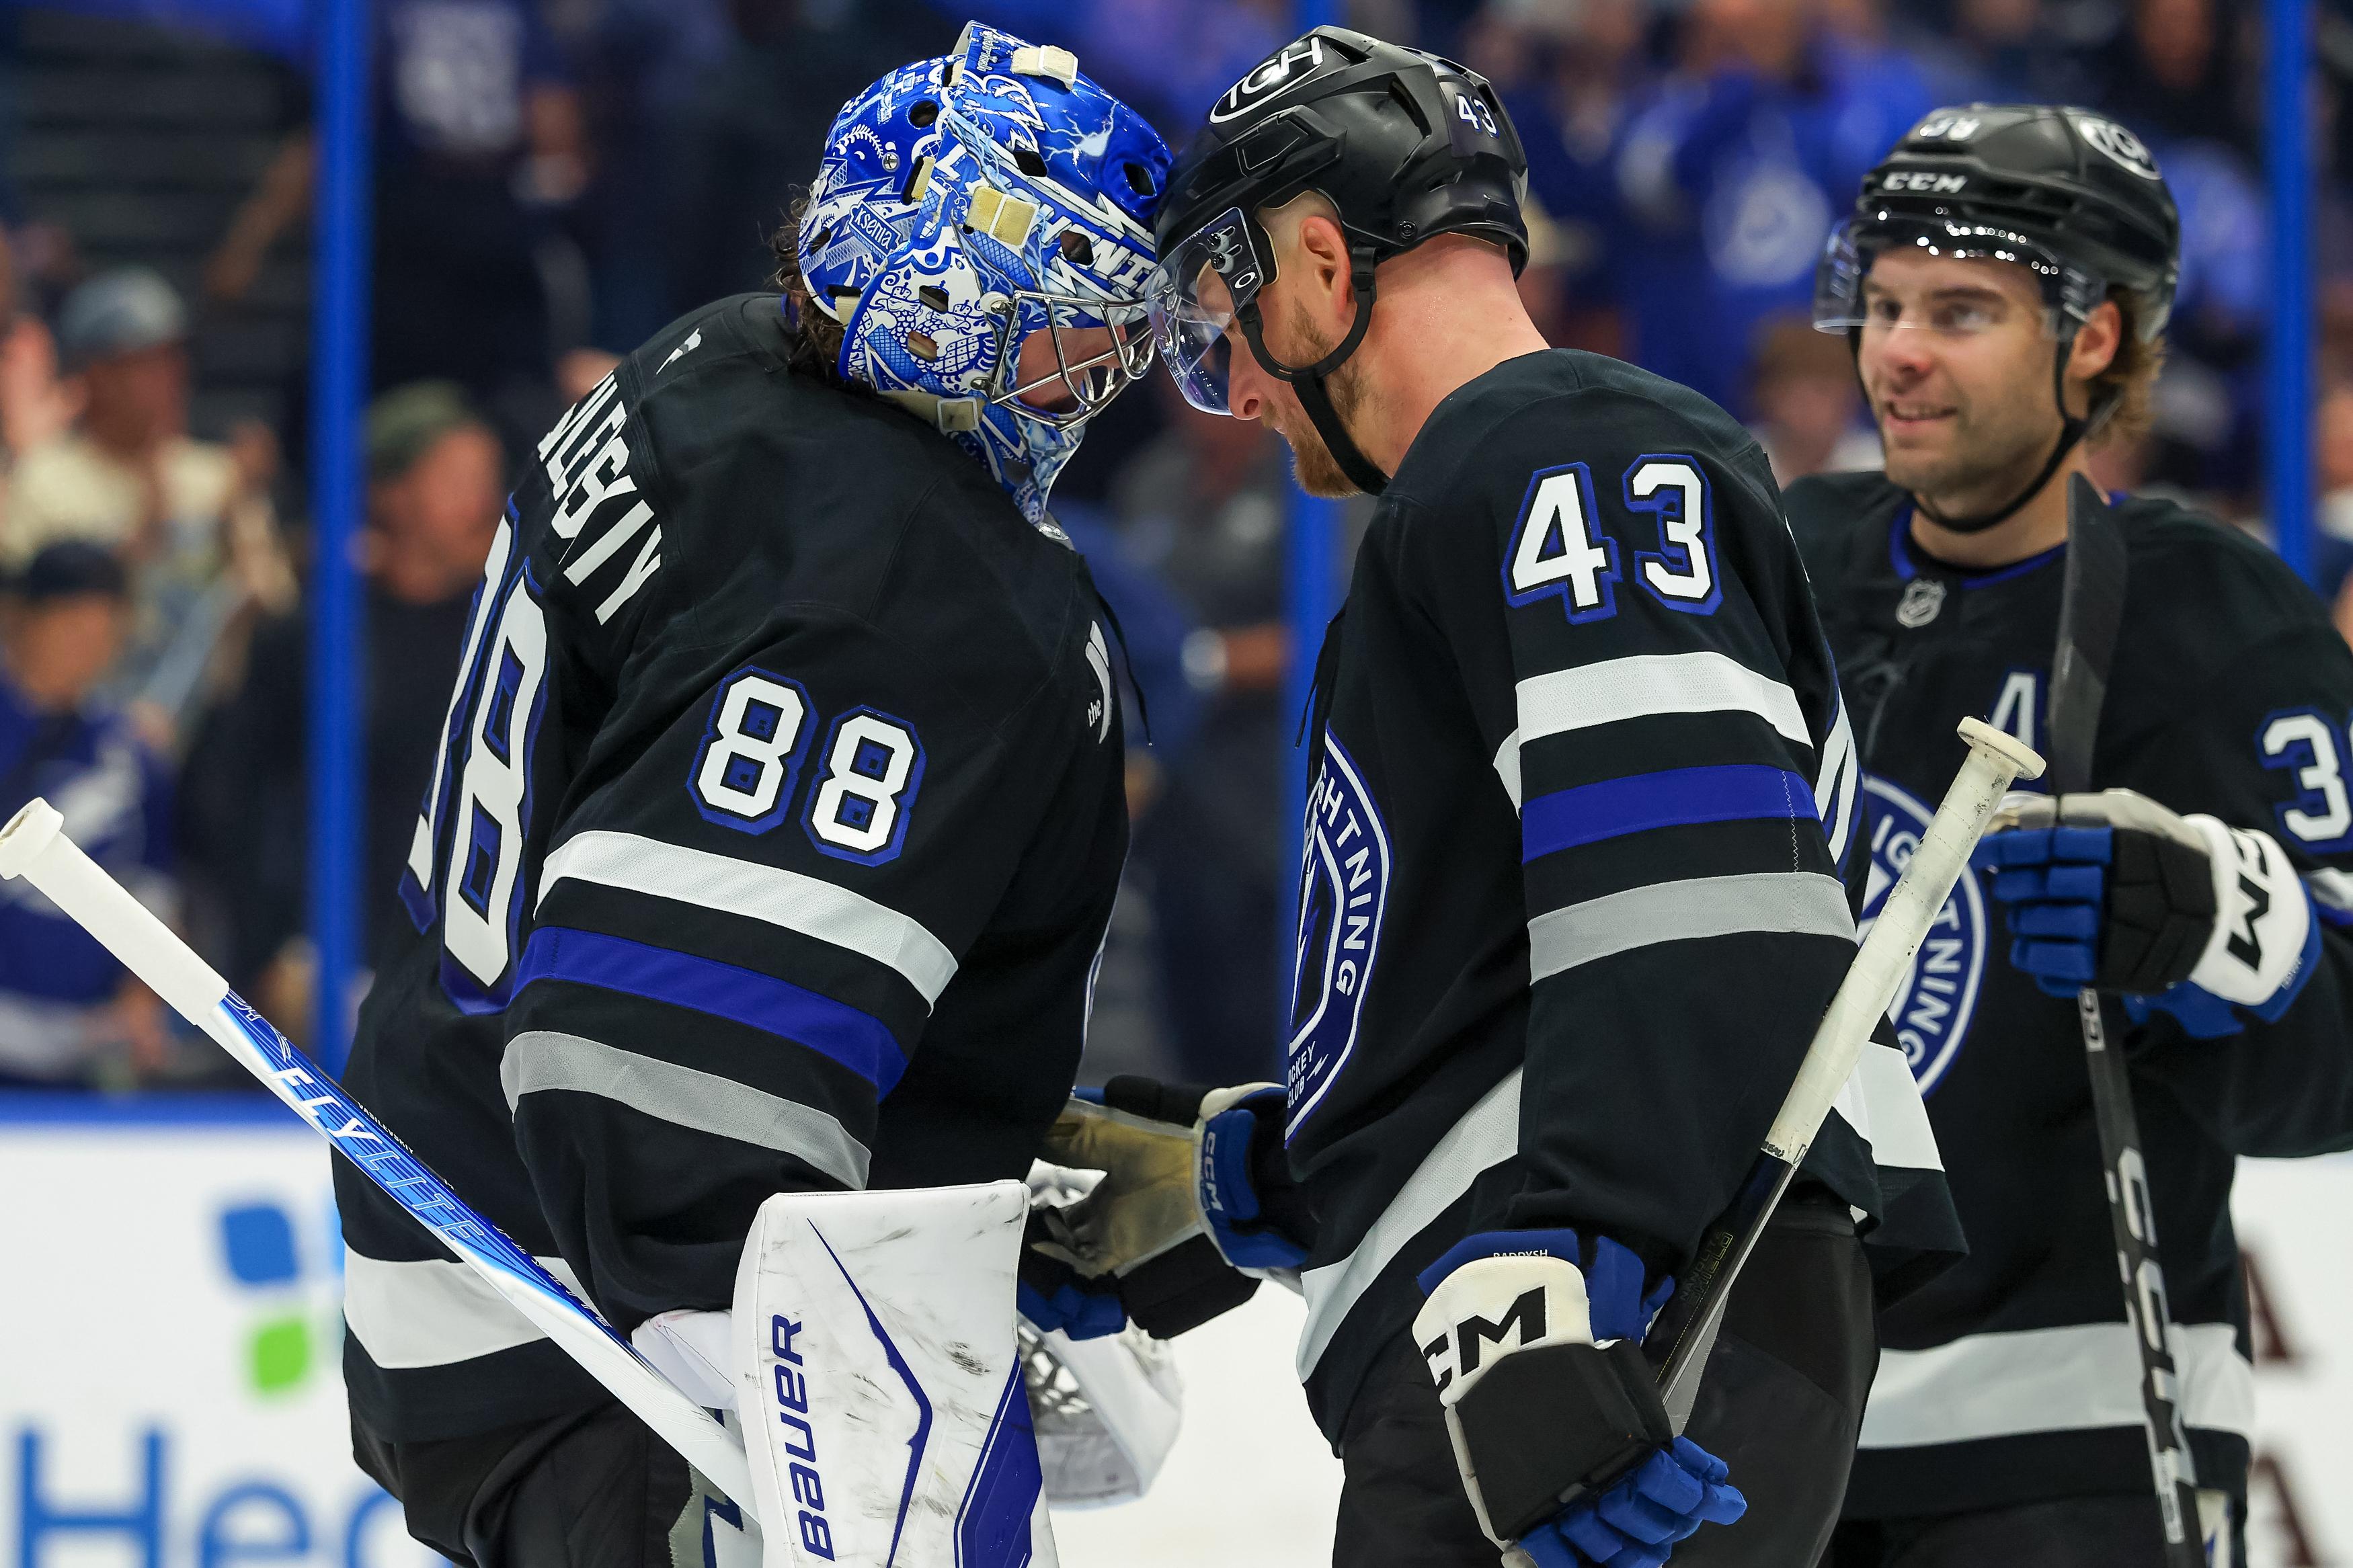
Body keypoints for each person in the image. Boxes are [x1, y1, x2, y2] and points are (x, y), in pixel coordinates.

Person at [1049, 27, 1963, 1568]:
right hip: (1565, 1286)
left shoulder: (1561, 448)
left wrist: (1571, 1256)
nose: (1245, 392)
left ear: (1324, 263)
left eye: (1232, 322)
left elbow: (1685, 901)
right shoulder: (1505, 490)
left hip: (1599, 1302)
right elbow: (1520, 995)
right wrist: (1241, 1187)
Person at [332, 27, 1169, 1567]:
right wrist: (857, 1407)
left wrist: (987, 1149)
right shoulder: (910, 581)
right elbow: (662, 1066)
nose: (1099, 375)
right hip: (610, 1330)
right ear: (950, 295)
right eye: (1070, 322)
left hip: (457, 1218)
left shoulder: (717, 368)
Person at [1784, 106, 2353, 1566]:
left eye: (1959, 312)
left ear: (2093, 335)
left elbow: (2341, 1039)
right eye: (1887, 303)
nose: (1895, 351)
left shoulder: (2214, 620)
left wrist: (2229, 925)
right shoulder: (1783, 562)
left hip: (2073, 1439)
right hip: (1756, 1425)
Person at [182, 383, 507, 1028]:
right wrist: (266, 948)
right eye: (456, 479)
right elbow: (231, 797)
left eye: (489, 478)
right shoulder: (314, 635)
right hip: (328, 969)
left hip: (470, 982)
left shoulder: (512, 635)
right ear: (390, 493)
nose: (485, 502)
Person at [3, 267, 293, 744]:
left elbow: (270, 603)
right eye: (145, 363)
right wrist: (144, 536)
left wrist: (235, 522)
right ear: (95, 374)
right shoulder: (41, 479)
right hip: (76, 736)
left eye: (174, 359)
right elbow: (20, 624)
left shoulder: (216, 476)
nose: (169, 378)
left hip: (202, 735)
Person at [0, 542, 171, 1086]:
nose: (87, 647)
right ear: (22, 617)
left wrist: (142, 993)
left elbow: (153, 883)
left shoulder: (130, 751)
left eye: (104, 633)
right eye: (71, 625)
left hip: (88, 1042)